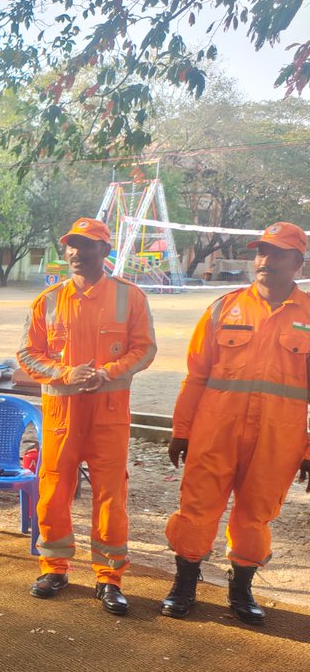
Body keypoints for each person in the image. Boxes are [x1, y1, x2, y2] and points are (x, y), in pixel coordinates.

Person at [162, 222, 310, 624]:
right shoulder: (223, 309)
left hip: (278, 439)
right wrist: (181, 430)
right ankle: (184, 583)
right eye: (261, 252)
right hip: (215, 433)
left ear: (298, 262)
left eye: (277, 253)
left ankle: (241, 588)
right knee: (197, 508)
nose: (265, 260)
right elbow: (196, 376)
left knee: (255, 516)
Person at [17, 217, 156, 614]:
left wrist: (107, 373)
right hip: (61, 416)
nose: (76, 252)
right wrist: (65, 373)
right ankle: (54, 569)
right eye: (71, 245)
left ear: (104, 251)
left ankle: (109, 577)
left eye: (86, 245)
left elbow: (144, 349)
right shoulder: (48, 300)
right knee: (53, 492)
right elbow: (27, 354)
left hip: (109, 417)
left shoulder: (130, 297)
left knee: (110, 497)